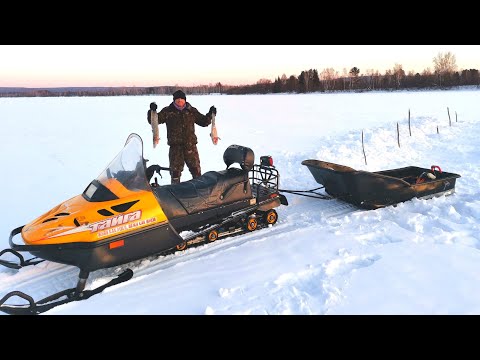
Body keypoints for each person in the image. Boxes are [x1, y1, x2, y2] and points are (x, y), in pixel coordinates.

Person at [147, 90, 216, 184]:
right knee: (175, 174)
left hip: (191, 147)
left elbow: (204, 122)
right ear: (174, 100)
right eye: (177, 99)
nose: (179, 100)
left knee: (196, 172)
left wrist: (211, 114)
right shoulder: (168, 111)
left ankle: (200, 192)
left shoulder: (191, 110)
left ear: (185, 100)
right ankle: (175, 194)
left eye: (181, 99)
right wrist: (152, 112)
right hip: (175, 148)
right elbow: (154, 121)